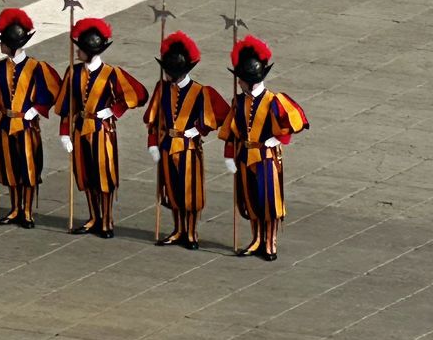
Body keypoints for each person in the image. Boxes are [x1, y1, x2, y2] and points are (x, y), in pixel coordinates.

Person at [59, 17, 148, 238]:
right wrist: (64, 133)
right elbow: (67, 105)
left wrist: (114, 110)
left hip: (102, 131)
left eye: (80, 49)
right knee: (85, 175)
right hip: (80, 128)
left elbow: (138, 94)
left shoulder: (112, 73)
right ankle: (94, 217)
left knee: (104, 176)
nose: (77, 52)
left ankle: (107, 220)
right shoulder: (73, 72)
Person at [220, 35, 307, 261]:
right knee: (251, 201)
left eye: (241, 80)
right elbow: (232, 130)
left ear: (250, 81)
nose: (238, 83)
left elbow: (294, 122)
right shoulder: (239, 101)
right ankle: (257, 239)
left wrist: (277, 140)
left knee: (269, 203)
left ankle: (270, 243)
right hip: (245, 156)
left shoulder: (273, 100)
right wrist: (229, 156)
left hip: (266, 157)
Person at [146, 31, 229, 249]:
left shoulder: (201, 92)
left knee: (190, 193)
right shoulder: (162, 88)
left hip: (189, 149)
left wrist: (198, 129)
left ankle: (191, 232)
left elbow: (222, 115)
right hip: (167, 146)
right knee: (172, 190)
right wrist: (153, 143)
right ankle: (178, 230)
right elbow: (154, 119)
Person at [0, 8, 61, 227]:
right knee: (10, 170)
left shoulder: (36, 67)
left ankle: (26, 211)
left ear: (12, 45)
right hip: (4, 124)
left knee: (28, 170)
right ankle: (15, 208)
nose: (0, 45)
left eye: (3, 43)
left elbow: (55, 90)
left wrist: (36, 109)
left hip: (26, 127)